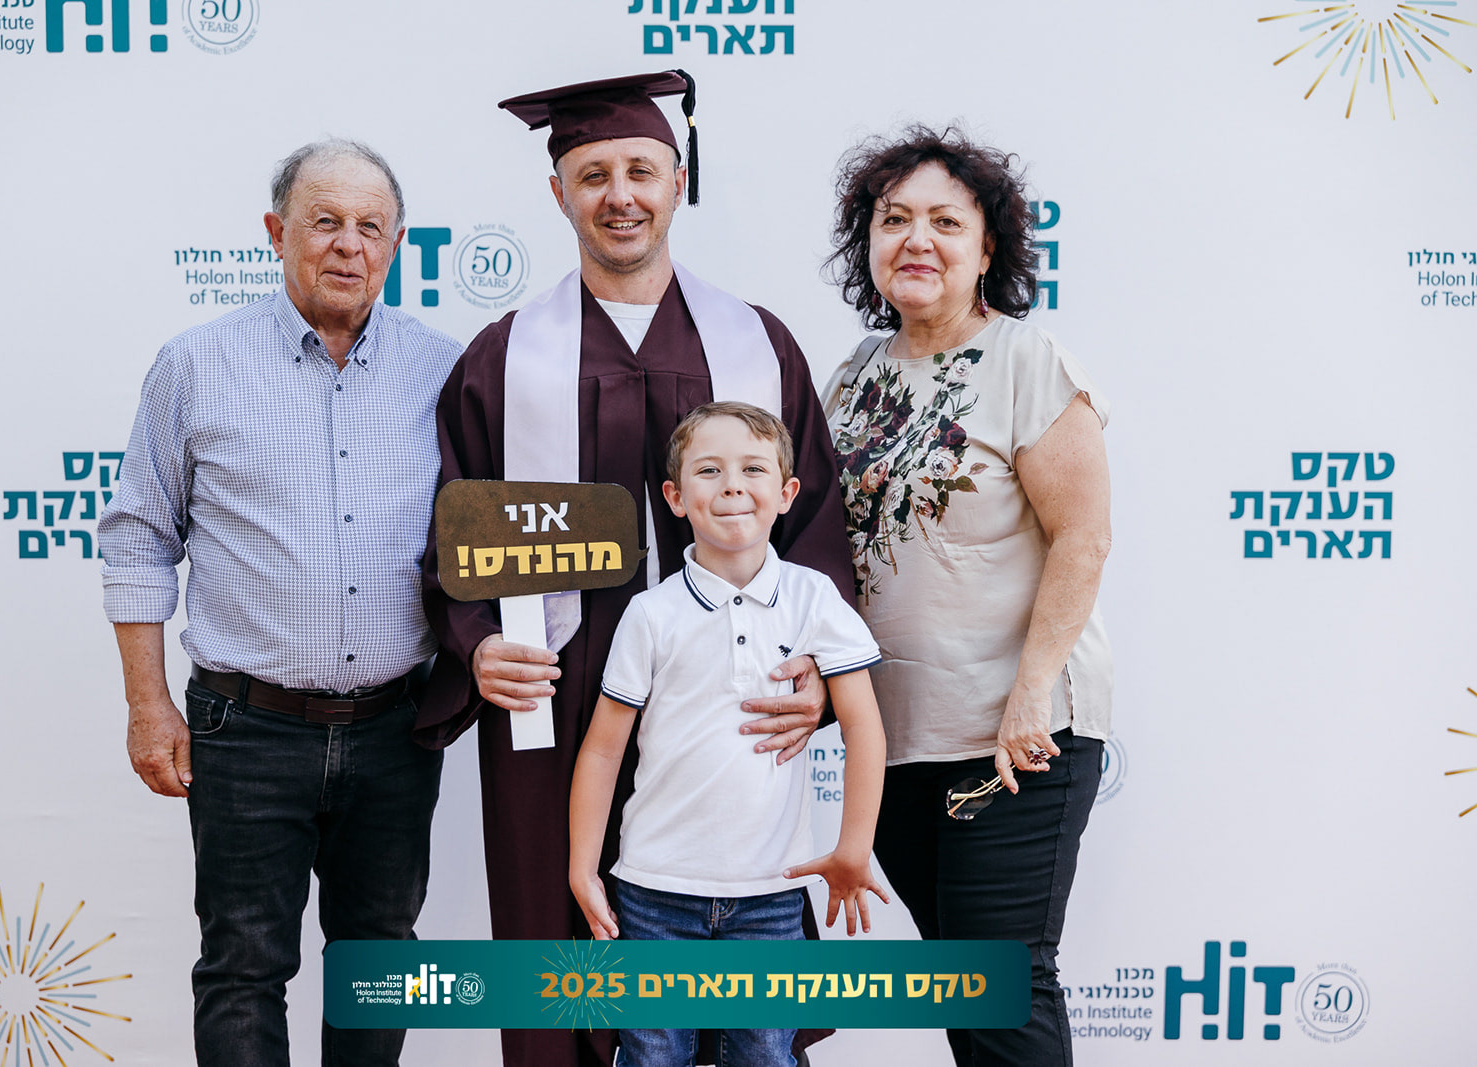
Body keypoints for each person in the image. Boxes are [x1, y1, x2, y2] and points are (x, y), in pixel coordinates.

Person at [419, 71, 853, 1067]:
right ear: (559, 193)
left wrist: (817, 671)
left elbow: (817, 519)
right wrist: (478, 645)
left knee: (736, 948)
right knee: (555, 926)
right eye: (593, 174)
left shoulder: (755, 343)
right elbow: (450, 533)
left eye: (641, 171)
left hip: (725, 694)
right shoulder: (505, 356)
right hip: (558, 683)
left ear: (677, 182)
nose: (620, 195)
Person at [97, 139, 462, 1067]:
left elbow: (479, 539)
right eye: (324, 221)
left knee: (379, 963)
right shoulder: (195, 364)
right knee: (243, 967)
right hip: (245, 729)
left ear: (398, 244)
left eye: (370, 227)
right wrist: (148, 704)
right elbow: (138, 536)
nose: (349, 245)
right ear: (276, 232)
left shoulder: (444, 369)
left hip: (396, 731)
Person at [821, 125, 1114, 1066]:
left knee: (1000, 983)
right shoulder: (853, 379)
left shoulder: (1029, 362)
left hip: (1014, 736)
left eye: (946, 222)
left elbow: (1083, 538)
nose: (917, 239)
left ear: (988, 249)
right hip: (898, 738)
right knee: (963, 983)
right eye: (894, 218)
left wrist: (1030, 695)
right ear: (868, 241)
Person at [570, 402, 889, 1067]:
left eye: (753, 469)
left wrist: (854, 846)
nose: (733, 486)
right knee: (653, 1055)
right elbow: (602, 749)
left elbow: (863, 726)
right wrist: (582, 866)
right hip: (653, 892)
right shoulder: (651, 614)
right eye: (709, 470)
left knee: (765, 1056)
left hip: (770, 896)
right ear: (675, 496)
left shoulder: (813, 599)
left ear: (787, 492)